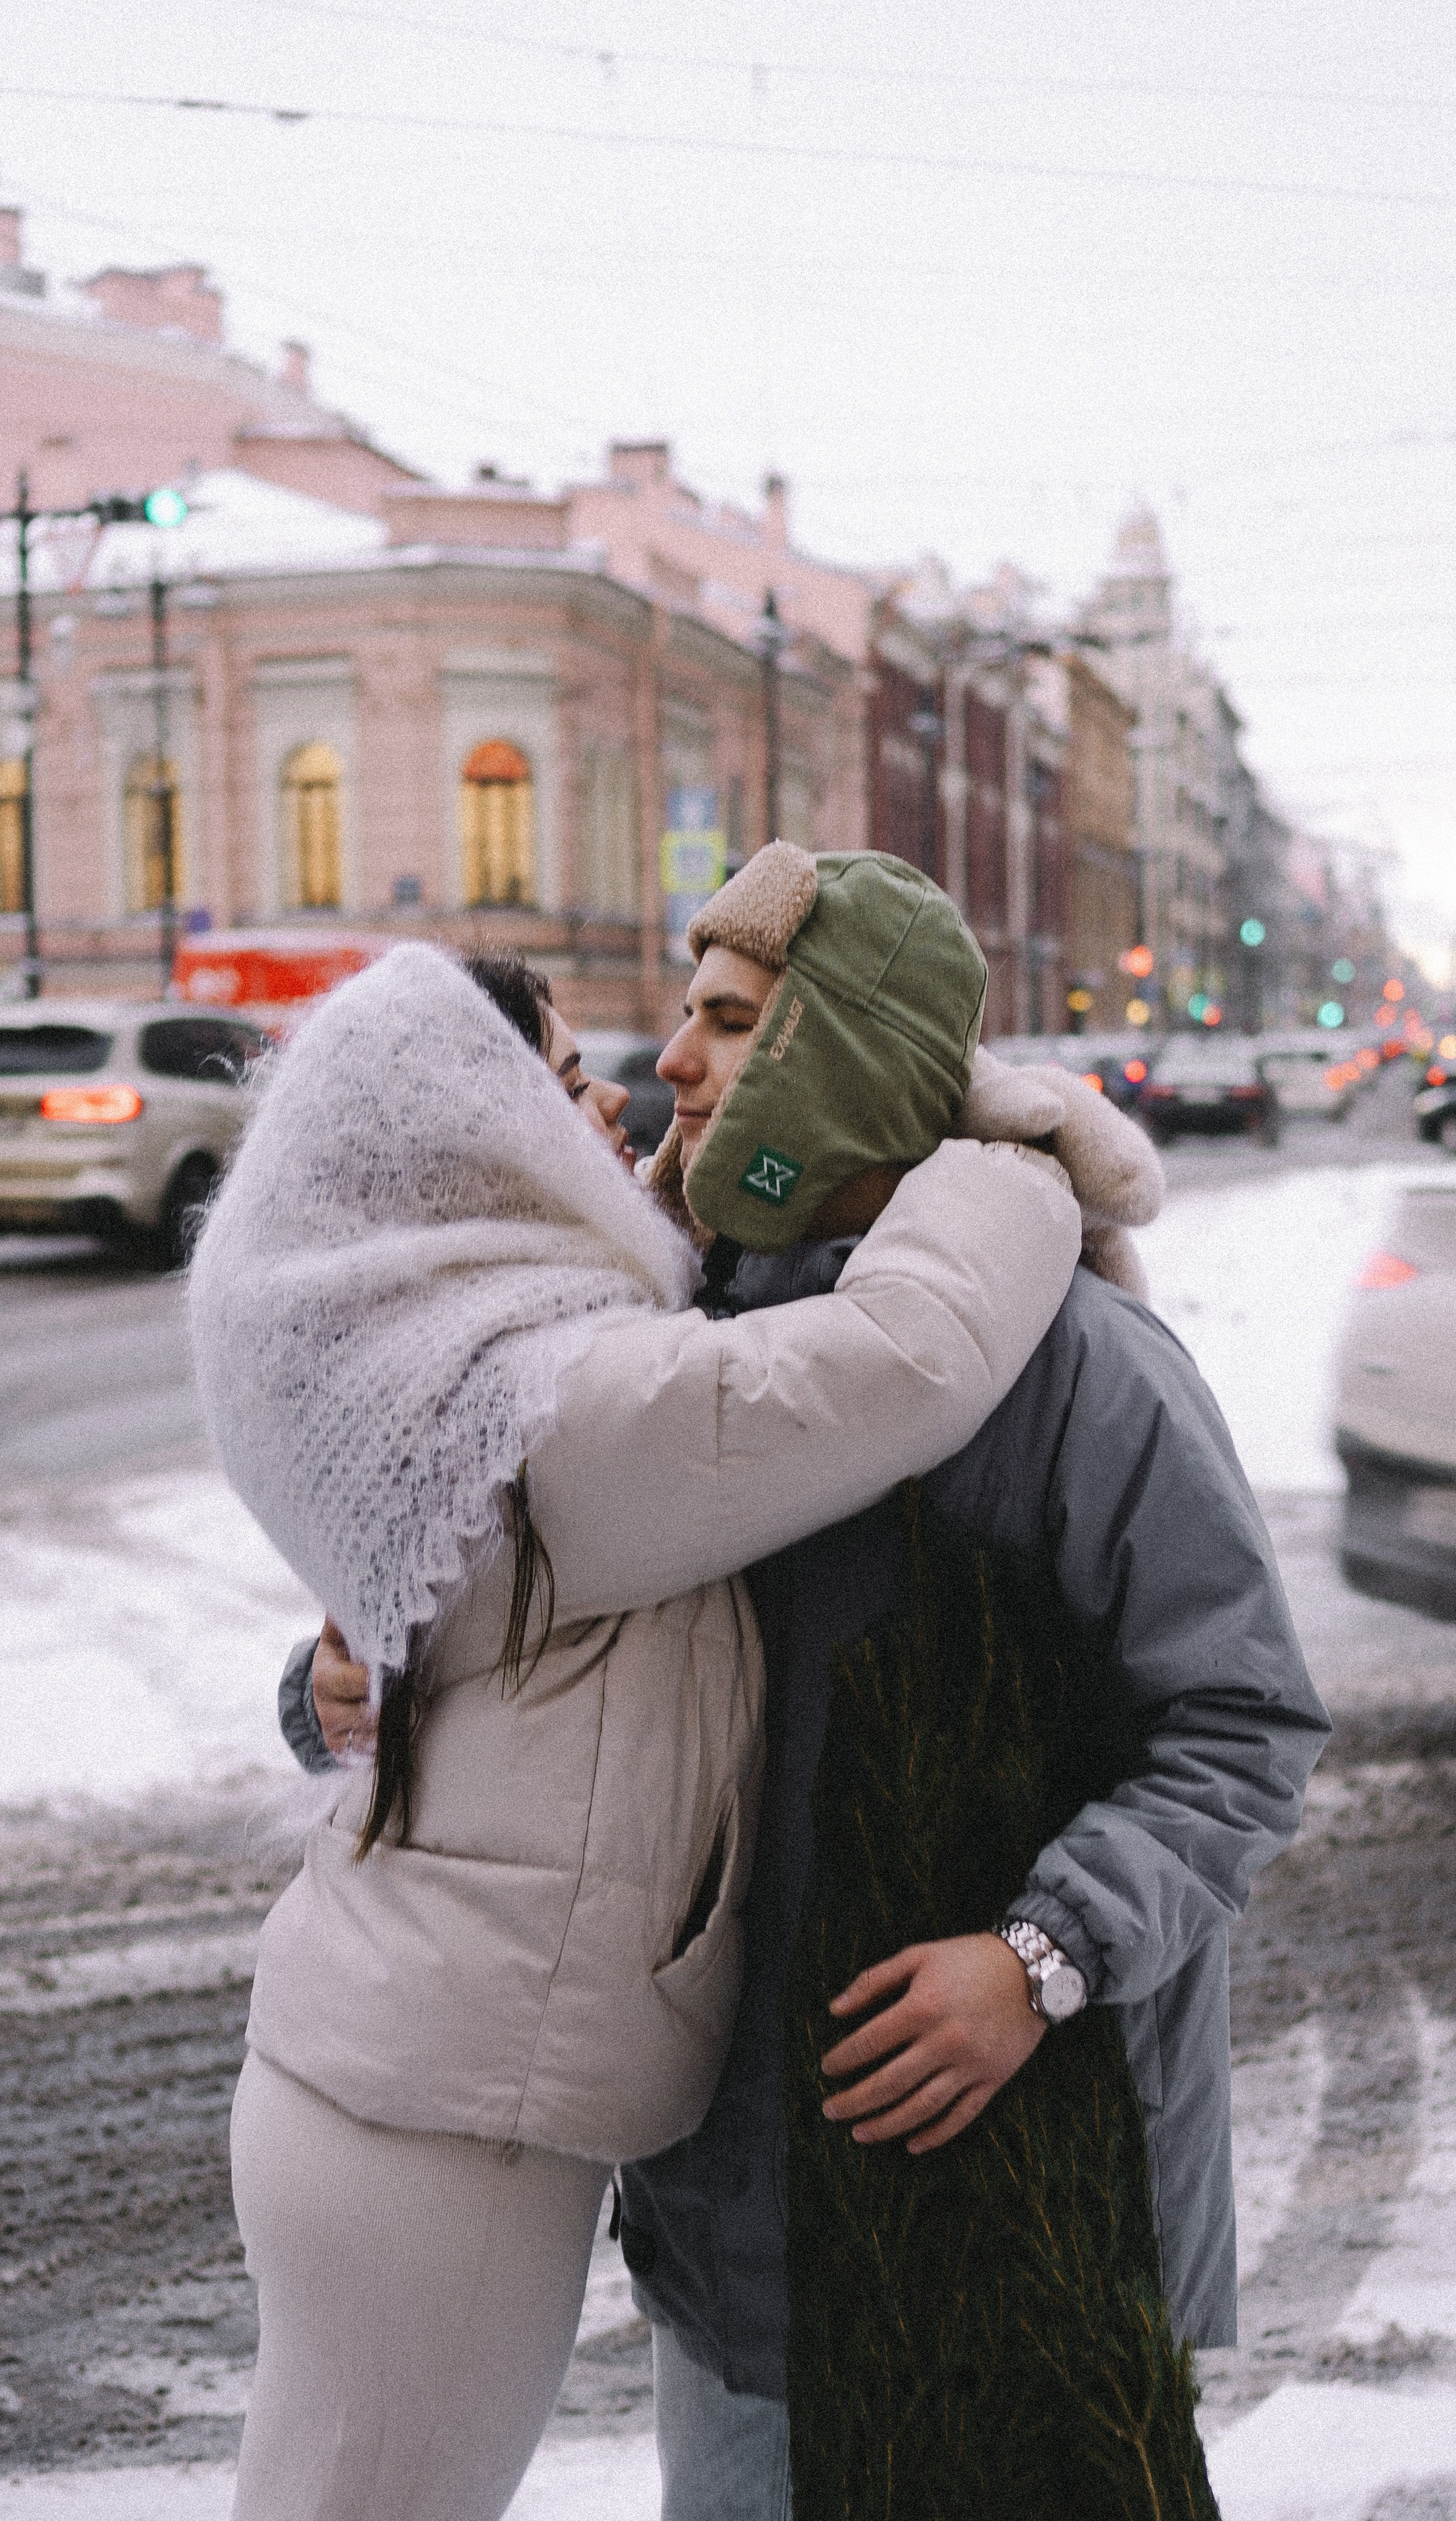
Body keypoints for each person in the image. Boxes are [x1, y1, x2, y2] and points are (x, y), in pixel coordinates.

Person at [289, 848, 1330, 2521]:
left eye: (726, 1025)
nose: (668, 1071)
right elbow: (512, 1627)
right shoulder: (670, 1341)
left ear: (838, 1056)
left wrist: (1038, 1957)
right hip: (737, 2243)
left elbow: (1238, 1724)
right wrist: (344, 1675)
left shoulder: (1078, 1373)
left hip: (1018, 2231)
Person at [190, 931, 1083, 2521]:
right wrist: (1006, 1165)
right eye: (559, 1078)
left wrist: (318, 1684)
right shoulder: (558, 1408)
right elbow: (904, 1361)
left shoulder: (437, 1372)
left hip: (375, 2072)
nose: (612, 1101)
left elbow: (419, 1650)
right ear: (478, 1137)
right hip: (447, 2131)